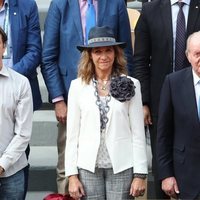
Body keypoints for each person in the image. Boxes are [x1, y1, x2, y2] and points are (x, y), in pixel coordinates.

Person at [41, 0, 133, 194]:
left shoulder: (115, 4)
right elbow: (48, 57)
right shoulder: (59, 5)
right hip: (70, 97)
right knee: (68, 166)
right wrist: (58, 100)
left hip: (111, 96)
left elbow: (127, 54)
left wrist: (125, 96)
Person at [64, 26, 147, 200]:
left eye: (108, 50)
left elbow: (138, 133)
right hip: (88, 167)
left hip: (122, 166)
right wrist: (72, 175)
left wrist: (140, 174)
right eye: (98, 51)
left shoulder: (132, 84)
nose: (103, 56)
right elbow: (72, 136)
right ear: (90, 55)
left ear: (116, 53)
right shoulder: (77, 87)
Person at [132, 0, 200, 198]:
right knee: (162, 162)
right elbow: (141, 60)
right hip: (160, 99)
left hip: (195, 96)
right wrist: (144, 101)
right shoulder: (151, 10)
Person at [0, 0, 42, 197]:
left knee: (19, 147)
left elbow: (35, 50)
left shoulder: (26, 5)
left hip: (18, 84)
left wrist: (9, 78)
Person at [156, 31, 200, 199]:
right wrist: (166, 174)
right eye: (197, 54)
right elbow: (164, 134)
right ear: (188, 56)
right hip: (186, 176)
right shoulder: (173, 82)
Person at [0, 27, 33, 200]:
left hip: (12, 172)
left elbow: (23, 133)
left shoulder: (20, 83)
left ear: (4, 46)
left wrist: (2, 165)